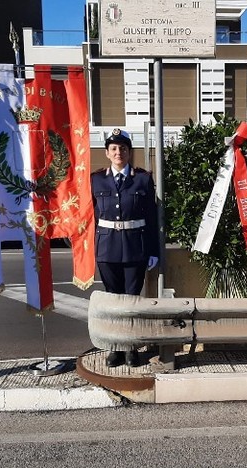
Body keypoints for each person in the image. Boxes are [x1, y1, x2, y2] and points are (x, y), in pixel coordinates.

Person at [91, 128, 159, 368]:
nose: (118, 152)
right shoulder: (96, 179)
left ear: (129, 152)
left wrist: (153, 250)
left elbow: (151, 217)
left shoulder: (142, 179)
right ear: (108, 153)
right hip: (107, 248)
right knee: (113, 300)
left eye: (123, 148)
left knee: (131, 301)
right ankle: (115, 349)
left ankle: (131, 349)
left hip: (135, 247)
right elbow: (90, 216)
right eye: (114, 148)